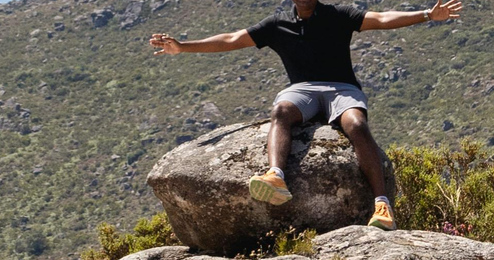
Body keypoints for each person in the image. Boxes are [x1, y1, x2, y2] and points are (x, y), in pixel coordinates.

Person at [150, 0, 462, 231]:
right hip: (302, 90)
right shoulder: (277, 24)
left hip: (342, 88)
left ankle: (382, 205)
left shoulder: (338, 15)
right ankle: (275, 176)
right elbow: (232, 39)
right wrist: (183, 47)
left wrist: (426, 15)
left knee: (356, 124)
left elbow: (380, 18)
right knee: (281, 111)